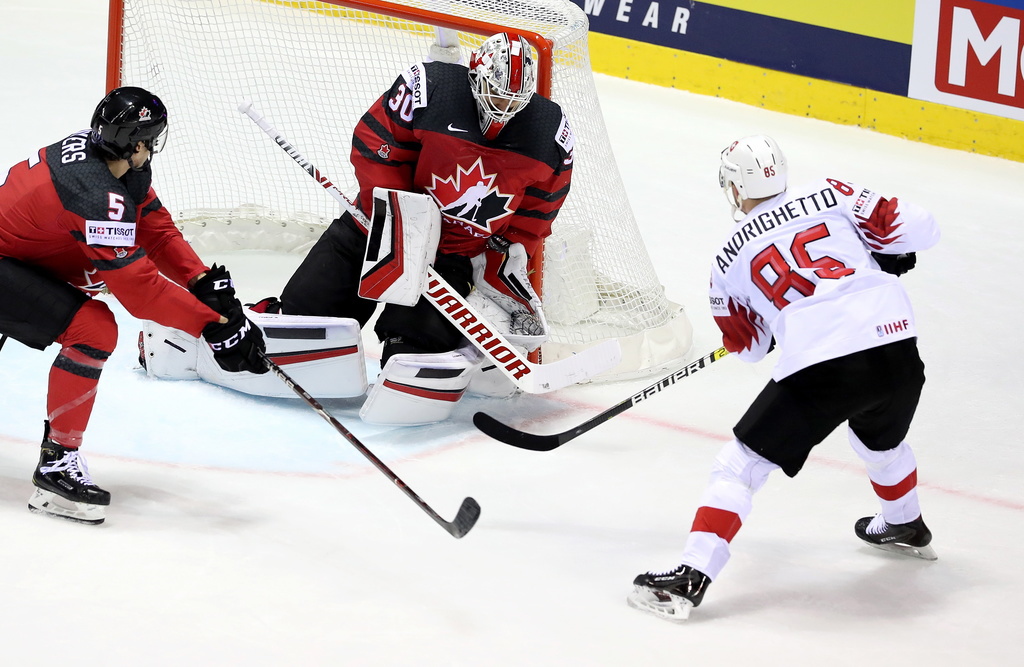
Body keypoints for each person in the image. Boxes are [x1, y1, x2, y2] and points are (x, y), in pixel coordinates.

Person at [627, 135, 941, 622]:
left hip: (825, 364)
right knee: (880, 442)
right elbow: (923, 228)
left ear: (734, 189)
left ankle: (691, 575)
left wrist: (770, 326)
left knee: (738, 468)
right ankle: (905, 523)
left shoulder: (726, 261)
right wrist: (882, 251)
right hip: (896, 349)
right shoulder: (831, 192)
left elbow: (750, 348)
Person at [263, 32, 574, 424]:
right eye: (496, 95)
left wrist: (502, 252)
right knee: (308, 312)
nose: (503, 108)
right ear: (475, 77)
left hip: (452, 255)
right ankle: (301, 333)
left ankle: (410, 359)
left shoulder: (549, 132)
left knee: (416, 347)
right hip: (375, 228)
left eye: (514, 101)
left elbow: (540, 207)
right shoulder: (430, 89)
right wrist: (403, 219)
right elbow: (376, 143)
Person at [0, 86, 267, 525]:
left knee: (92, 292)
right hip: (8, 262)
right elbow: (140, 291)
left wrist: (200, 281)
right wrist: (215, 326)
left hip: (23, 256)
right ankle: (55, 466)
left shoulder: (112, 159)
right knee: (93, 327)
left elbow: (154, 228)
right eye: (153, 139)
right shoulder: (95, 193)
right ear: (139, 143)